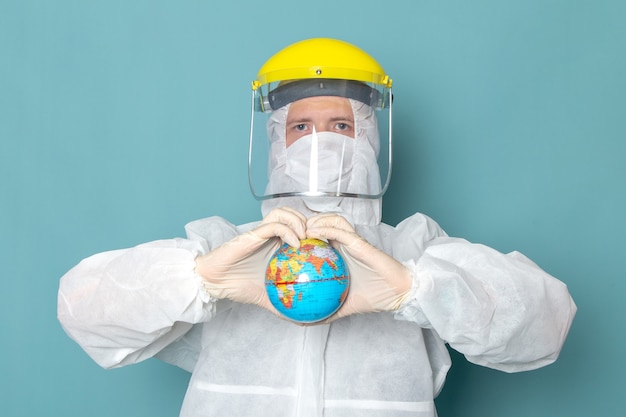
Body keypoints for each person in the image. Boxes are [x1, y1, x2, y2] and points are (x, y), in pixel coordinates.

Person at [58, 38, 576, 417]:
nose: (320, 144)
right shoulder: (225, 248)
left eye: (342, 127)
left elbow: (544, 326)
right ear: (275, 142)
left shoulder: (412, 248)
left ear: (371, 139)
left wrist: (417, 289)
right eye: (300, 128)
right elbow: (82, 309)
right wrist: (198, 280)